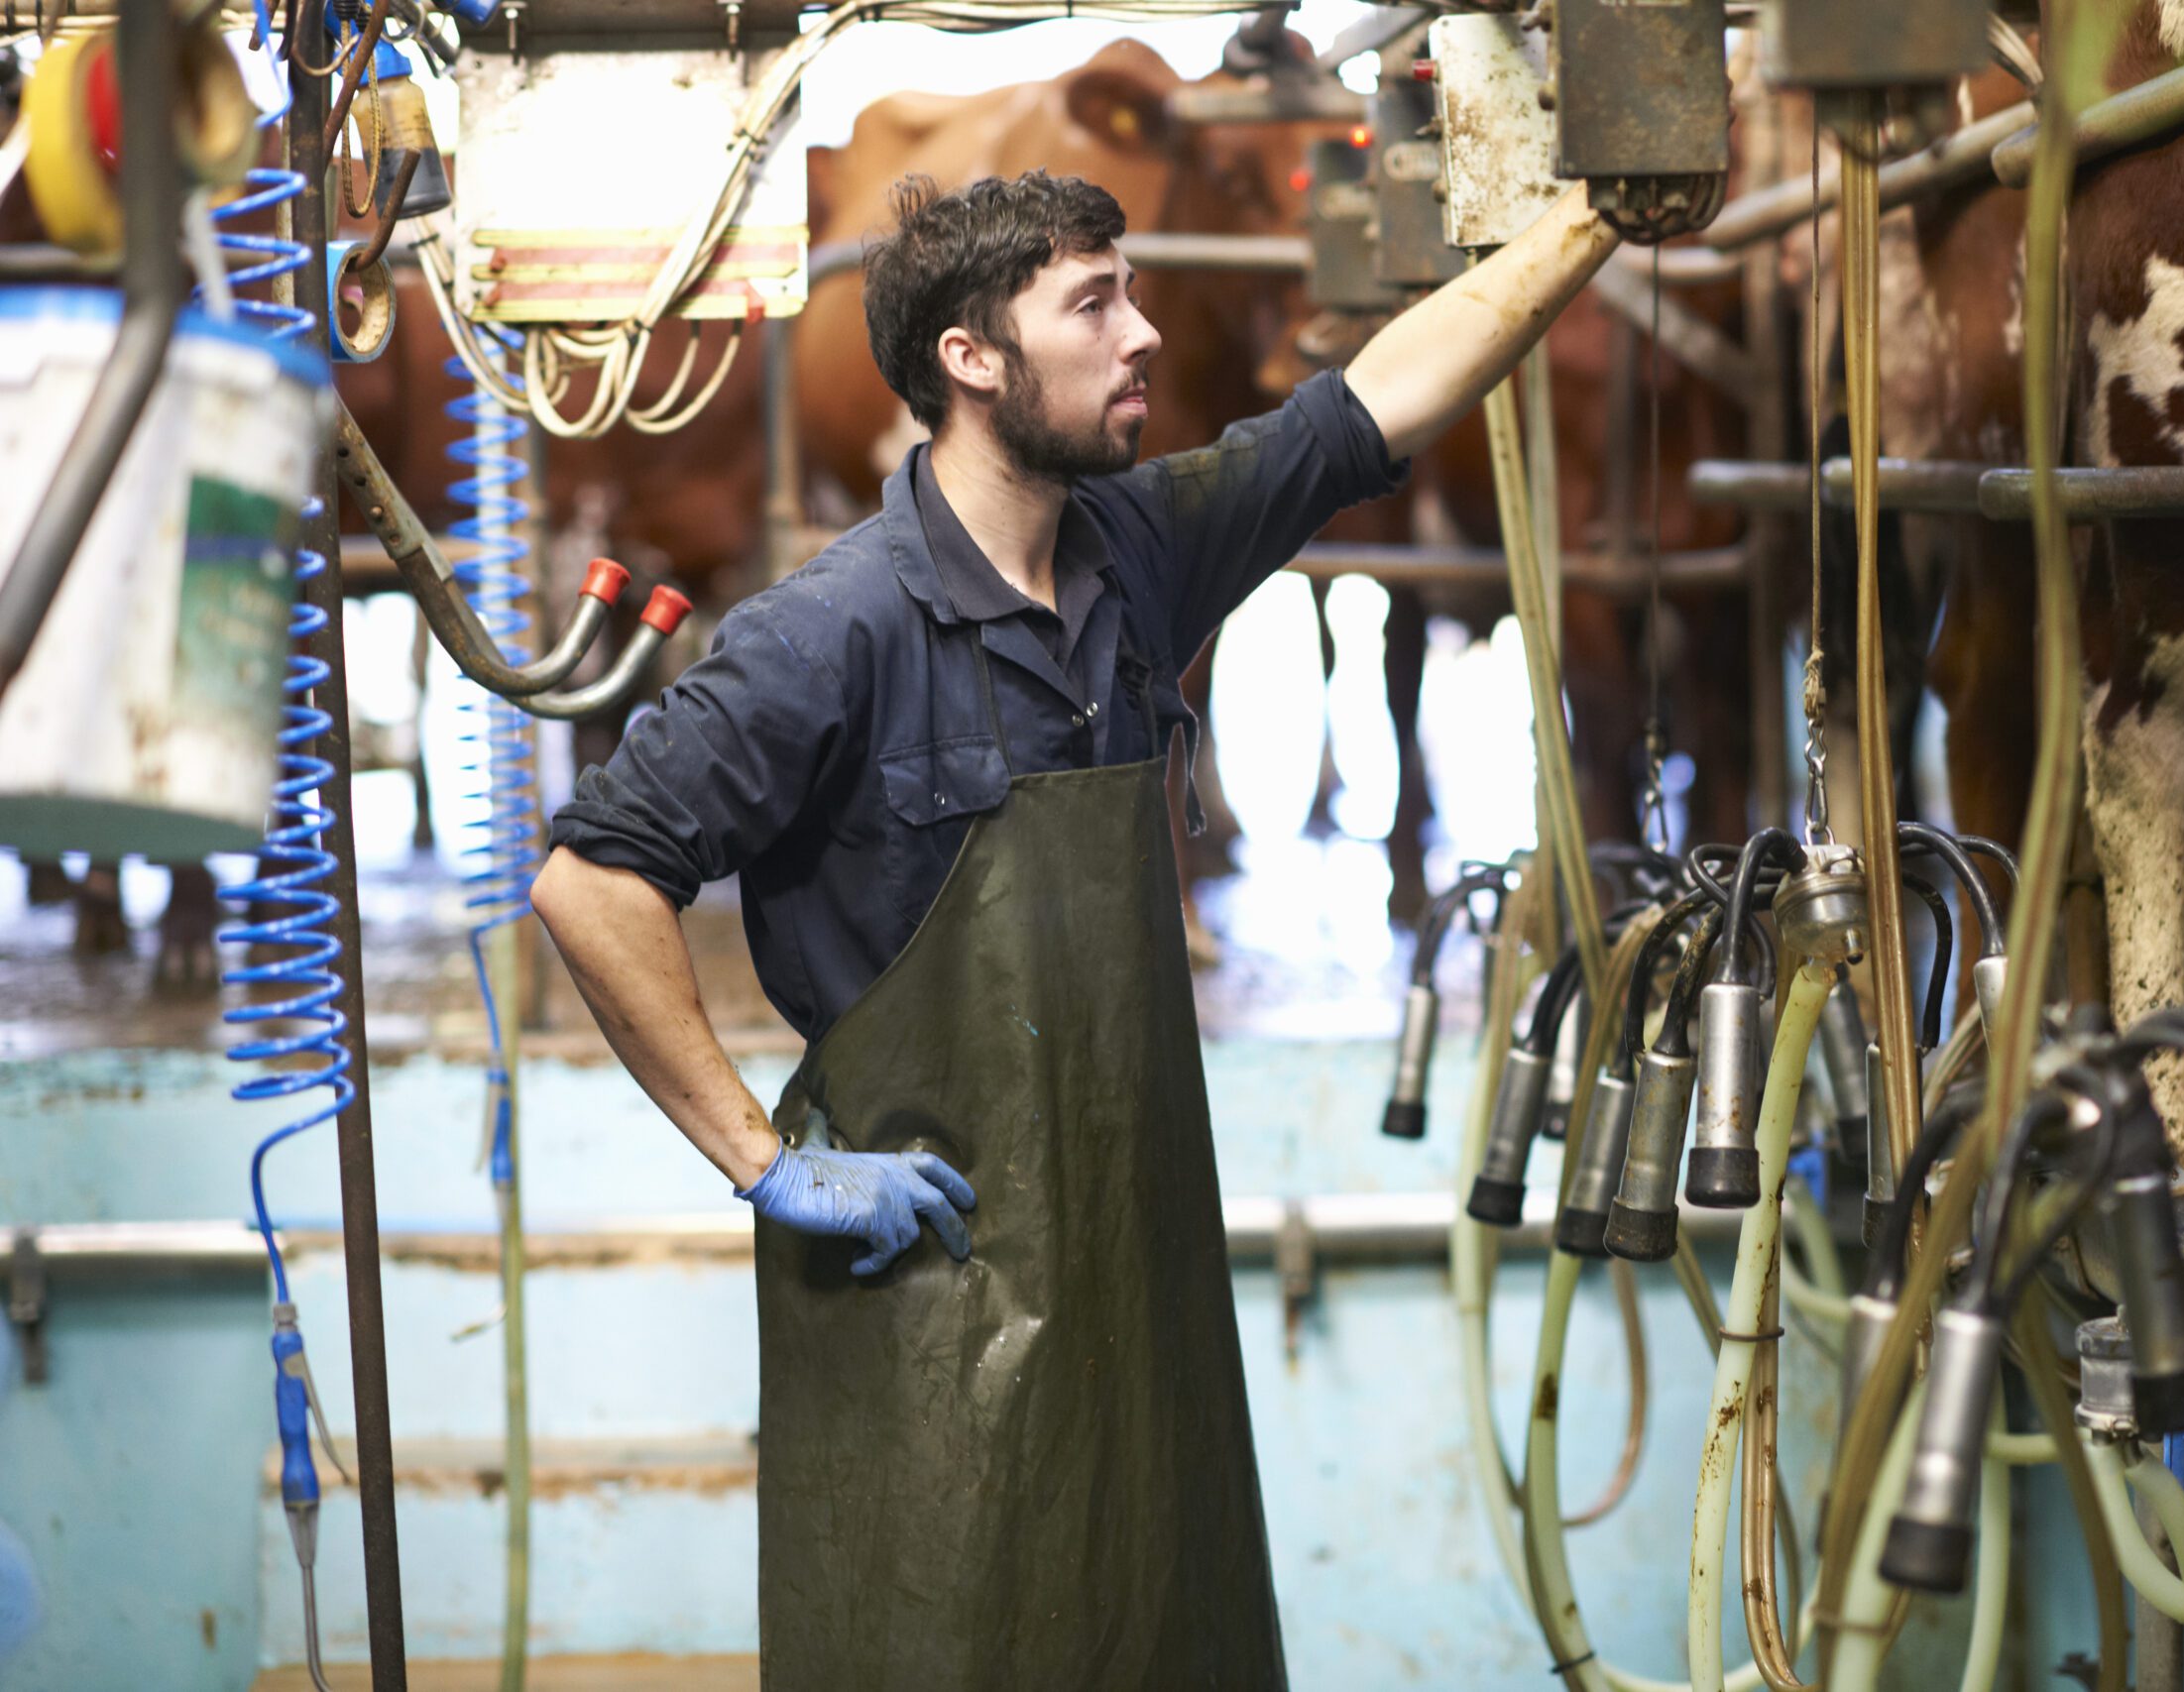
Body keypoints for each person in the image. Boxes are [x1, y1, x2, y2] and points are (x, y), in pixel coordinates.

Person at [531, 167, 1623, 1689]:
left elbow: (1366, 409)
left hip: (1134, 1273)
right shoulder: (826, 635)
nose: (1147, 336)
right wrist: (766, 1164)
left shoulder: (1141, 549)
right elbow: (592, 879)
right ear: (973, 361)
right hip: (925, 1299)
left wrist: (1593, 215)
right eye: (1095, 303)